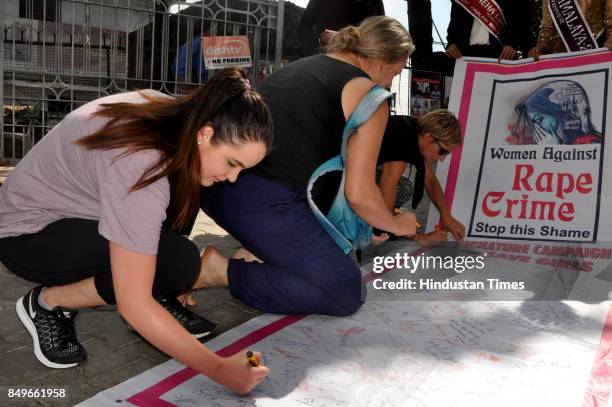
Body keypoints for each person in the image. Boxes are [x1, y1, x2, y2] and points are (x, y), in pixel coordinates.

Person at [0, 68, 273, 395]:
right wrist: (221, 369)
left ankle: (162, 292)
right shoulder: (142, 163)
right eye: (232, 163)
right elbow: (133, 302)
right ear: (205, 133)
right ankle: (47, 302)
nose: (233, 178)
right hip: (27, 233)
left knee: (174, 245)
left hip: (78, 214)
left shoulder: (176, 118)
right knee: (176, 263)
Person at [195, 16, 416, 317]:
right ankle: (219, 271)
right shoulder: (370, 96)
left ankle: (263, 253)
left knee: (329, 256)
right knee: (344, 291)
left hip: (215, 187)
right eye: (396, 71)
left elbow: (307, 164)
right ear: (380, 59)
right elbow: (360, 193)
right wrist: (394, 223)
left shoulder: (305, 65)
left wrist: (361, 225)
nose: (391, 83)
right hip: (261, 201)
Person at [375, 111, 465, 243]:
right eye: (443, 151)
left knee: (403, 186)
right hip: (341, 174)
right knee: (404, 189)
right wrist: (421, 238)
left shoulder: (415, 131)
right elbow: (384, 210)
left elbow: (430, 181)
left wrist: (447, 217)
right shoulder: (401, 145)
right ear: (429, 138)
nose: (442, 159)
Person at [445, 0, 530, 61]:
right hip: (464, 56)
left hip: (501, 55)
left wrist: (512, 44)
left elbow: (521, 22)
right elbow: (454, 25)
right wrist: (451, 45)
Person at [528, 0, 612, 59]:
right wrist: (539, 48)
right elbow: (546, 28)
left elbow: (610, 18)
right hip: (558, 56)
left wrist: (610, 39)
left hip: (594, 47)